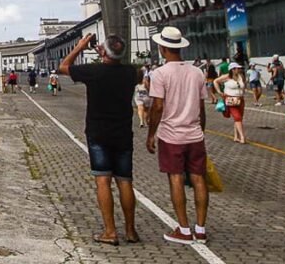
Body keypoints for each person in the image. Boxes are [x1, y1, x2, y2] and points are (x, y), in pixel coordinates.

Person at [59, 33, 139, 245]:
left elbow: (63, 66)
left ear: (103, 52)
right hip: (123, 133)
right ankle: (131, 231)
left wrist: (79, 47)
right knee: (125, 181)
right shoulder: (131, 73)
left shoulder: (94, 72)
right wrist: (106, 53)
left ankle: (110, 232)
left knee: (103, 180)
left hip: (98, 133)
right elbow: (119, 67)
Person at [146, 26, 209, 245]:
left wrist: (151, 134)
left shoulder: (159, 74)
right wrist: (201, 130)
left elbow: (157, 106)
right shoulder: (197, 72)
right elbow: (201, 107)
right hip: (194, 135)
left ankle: (183, 228)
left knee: (176, 178)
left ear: (162, 48)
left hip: (171, 135)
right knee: (199, 179)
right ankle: (200, 228)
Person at [214, 62, 248, 144]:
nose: (238, 70)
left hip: (240, 99)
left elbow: (243, 85)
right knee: (237, 117)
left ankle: (236, 136)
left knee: (239, 118)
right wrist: (219, 91)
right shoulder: (227, 77)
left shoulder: (241, 76)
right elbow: (215, 81)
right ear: (232, 70)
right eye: (237, 68)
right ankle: (242, 137)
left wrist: (242, 92)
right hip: (230, 99)